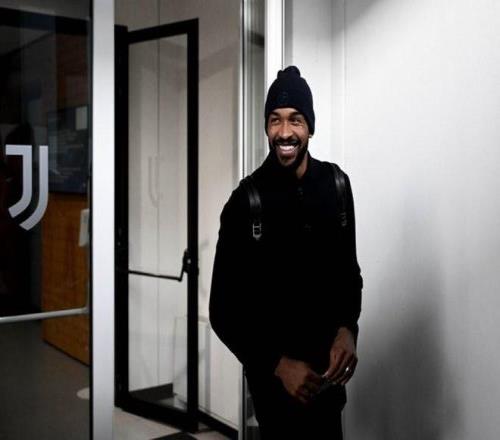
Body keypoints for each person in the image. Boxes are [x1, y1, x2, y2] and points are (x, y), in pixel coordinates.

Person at [209, 66, 362, 439]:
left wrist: (348, 329)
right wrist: (279, 365)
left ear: (310, 127)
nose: (284, 132)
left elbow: (349, 275)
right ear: (266, 127)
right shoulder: (245, 202)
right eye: (275, 120)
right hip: (276, 393)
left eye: (295, 119)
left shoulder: (337, 186)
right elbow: (222, 311)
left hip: (329, 386)